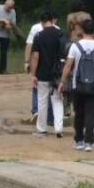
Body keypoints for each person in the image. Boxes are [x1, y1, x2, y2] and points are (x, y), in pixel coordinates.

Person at [61, 18, 94, 152]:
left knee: (79, 113)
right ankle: (89, 142)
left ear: (82, 30)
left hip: (78, 85)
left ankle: (79, 140)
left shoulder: (76, 46)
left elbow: (68, 66)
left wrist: (63, 82)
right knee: (90, 113)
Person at [30, 10, 66, 138]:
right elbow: (64, 54)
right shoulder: (61, 34)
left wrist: (33, 74)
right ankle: (58, 128)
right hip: (57, 74)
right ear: (52, 20)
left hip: (42, 73)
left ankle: (42, 129)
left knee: (42, 100)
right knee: (57, 99)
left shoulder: (39, 36)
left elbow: (35, 56)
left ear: (41, 22)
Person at [23, 18, 44, 116]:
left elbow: (29, 45)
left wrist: (27, 61)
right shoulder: (57, 29)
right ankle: (47, 112)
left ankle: (36, 110)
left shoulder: (35, 28)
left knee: (36, 84)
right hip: (51, 62)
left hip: (38, 60)